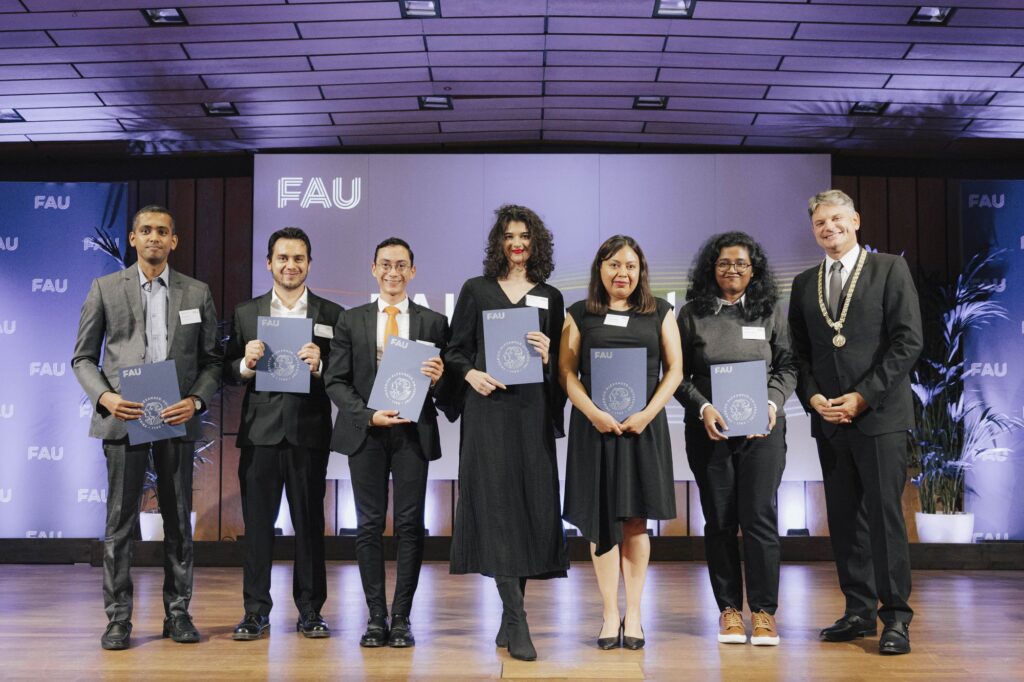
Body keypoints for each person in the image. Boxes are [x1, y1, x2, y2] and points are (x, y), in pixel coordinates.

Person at [72, 205, 223, 650]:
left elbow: (213, 361)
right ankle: (118, 619)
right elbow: (82, 358)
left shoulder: (197, 292)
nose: (153, 237)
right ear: (133, 238)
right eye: (145, 231)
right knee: (119, 524)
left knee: (177, 520)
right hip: (125, 419)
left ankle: (178, 614)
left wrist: (195, 400)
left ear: (173, 241)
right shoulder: (104, 289)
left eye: (162, 231)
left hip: (175, 420)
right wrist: (105, 397)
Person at [788, 190, 923, 656]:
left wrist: (863, 397)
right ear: (813, 229)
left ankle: (896, 619)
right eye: (821, 222)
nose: (830, 228)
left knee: (885, 520)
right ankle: (858, 610)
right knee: (846, 521)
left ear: (856, 220)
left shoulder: (889, 269)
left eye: (838, 219)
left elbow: (908, 343)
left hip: (879, 416)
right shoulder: (805, 283)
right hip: (830, 420)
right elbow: (800, 355)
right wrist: (813, 397)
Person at [442, 204, 568, 662]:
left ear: (537, 243)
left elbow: (562, 369)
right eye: (509, 236)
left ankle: (509, 610)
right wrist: (471, 374)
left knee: (529, 507)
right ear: (499, 242)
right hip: (488, 411)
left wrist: (551, 352)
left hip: (531, 413)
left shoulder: (551, 297)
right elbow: (455, 352)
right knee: (496, 508)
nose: (517, 244)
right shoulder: (476, 290)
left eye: (525, 236)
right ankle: (517, 618)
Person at [561, 235, 682, 651]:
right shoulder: (579, 314)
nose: (622, 273)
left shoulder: (660, 312)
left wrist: (647, 414)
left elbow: (676, 370)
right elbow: (566, 373)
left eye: (630, 265)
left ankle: (636, 613)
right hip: (595, 430)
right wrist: (593, 413)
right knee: (601, 519)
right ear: (600, 269)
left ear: (640, 271)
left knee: (635, 520)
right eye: (613, 264)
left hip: (642, 429)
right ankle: (610, 613)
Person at [675, 231, 797, 647]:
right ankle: (728, 609)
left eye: (741, 264)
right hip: (711, 432)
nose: (732, 270)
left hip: (762, 430)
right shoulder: (692, 314)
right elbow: (678, 377)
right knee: (720, 521)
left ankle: (763, 612)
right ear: (712, 268)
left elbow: (788, 366)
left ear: (754, 270)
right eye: (725, 263)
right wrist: (703, 407)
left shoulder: (771, 312)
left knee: (759, 518)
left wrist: (773, 403)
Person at [324, 237, 447, 649]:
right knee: (370, 525)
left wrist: (440, 377)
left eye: (401, 266)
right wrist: (366, 415)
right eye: (385, 265)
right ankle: (375, 616)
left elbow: (447, 395)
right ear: (373, 270)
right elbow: (335, 380)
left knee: (411, 526)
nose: (393, 273)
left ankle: (402, 618)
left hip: (413, 433)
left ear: (413, 272)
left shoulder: (433, 322)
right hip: (368, 433)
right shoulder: (350, 320)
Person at [222, 227, 343, 641]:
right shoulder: (245, 313)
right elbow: (225, 370)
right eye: (283, 258)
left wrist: (322, 367)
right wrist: (245, 364)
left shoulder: (331, 314)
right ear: (269, 263)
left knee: (310, 526)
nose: (290, 265)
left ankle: (310, 611)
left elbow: (345, 378)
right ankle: (255, 612)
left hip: (309, 435)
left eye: (298, 258)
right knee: (257, 527)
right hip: (260, 435)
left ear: (309, 263)